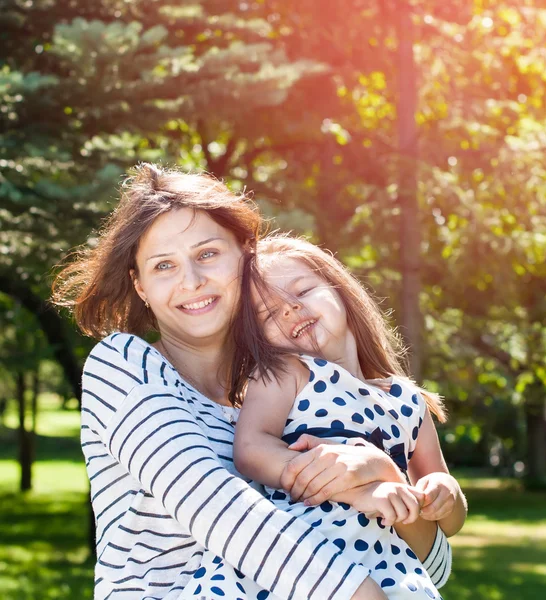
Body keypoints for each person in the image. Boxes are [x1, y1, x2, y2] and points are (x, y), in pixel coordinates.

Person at [52, 164, 444, 600]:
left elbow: (431, 562)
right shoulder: (125, 366)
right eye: (164, 265)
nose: (191, 281)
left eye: (206, 254)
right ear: (140, 286)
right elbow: (218, 509)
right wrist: (361, 594)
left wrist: (382, 472)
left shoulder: (283, 390)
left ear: (244, 255)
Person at [187, 235, 467, 599]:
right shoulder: (287, 373)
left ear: (340, 291)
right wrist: (353, 486)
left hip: (386, 566)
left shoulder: (407, 400)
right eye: (269, 313)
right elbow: (252, 447)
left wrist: (445, 495)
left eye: (302, 292)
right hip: (299, 554)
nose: (289, 309)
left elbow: (446, 513)